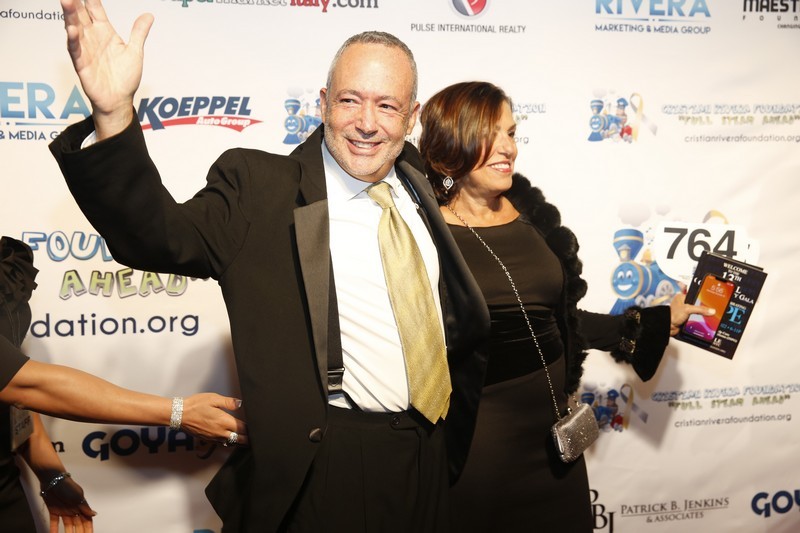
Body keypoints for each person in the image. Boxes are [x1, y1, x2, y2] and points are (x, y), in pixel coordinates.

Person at [50, 1, 488, 531]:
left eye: (387, 106)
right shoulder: (260, 189)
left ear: (411, 116)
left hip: (429, 457)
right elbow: (156, 237)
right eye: (350, 100)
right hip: (326, 464)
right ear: (323, 103)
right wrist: (115, 114)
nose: (367, 124)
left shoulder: (417, 183)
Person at [418, 81, 714, 532]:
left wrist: (652, 322)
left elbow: (559, 321)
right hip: (480, 453)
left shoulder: (529, 214)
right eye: (490, 134)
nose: (508, 148)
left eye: (511, 133)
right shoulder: (424, 233)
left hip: (556, 446)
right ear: (452, 142)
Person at [1, 236, 247, 532]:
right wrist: (181, 412)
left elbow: (15, 389)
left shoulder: (9, 261)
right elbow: (25, 385)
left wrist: (51, 475)